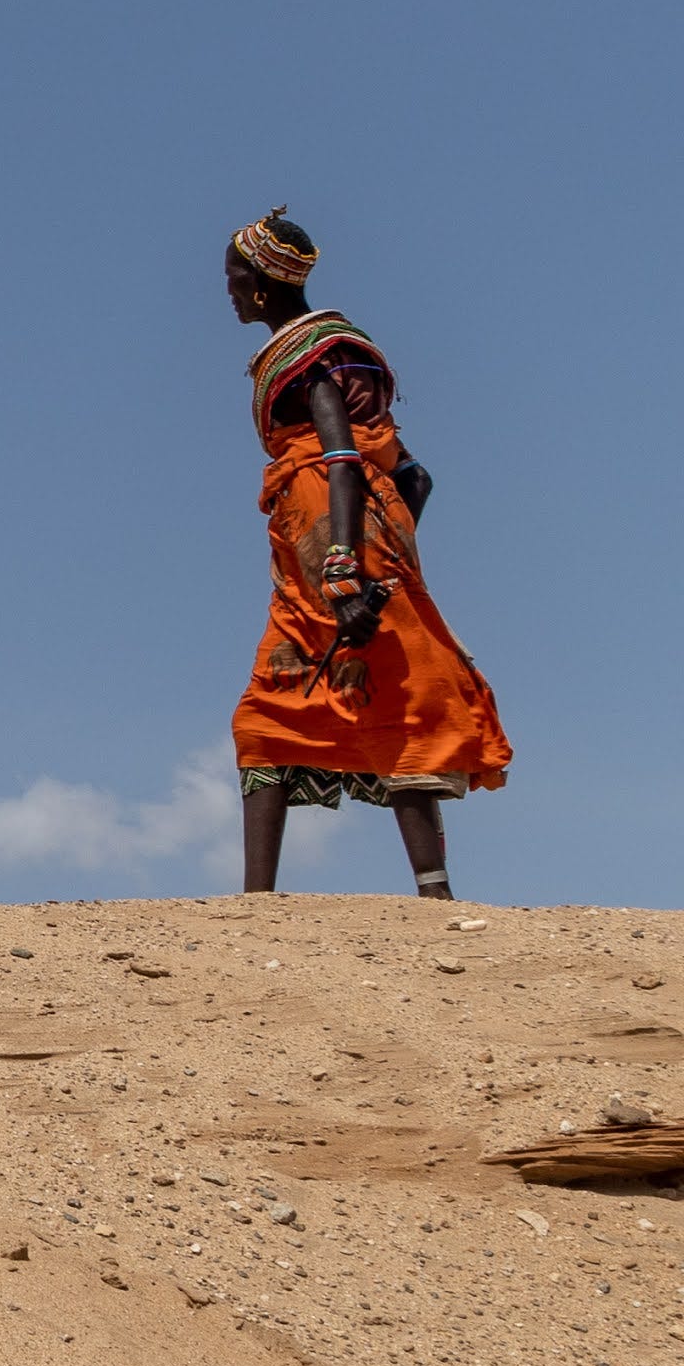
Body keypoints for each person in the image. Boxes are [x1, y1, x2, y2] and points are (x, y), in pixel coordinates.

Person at [223, 209, 509, 897]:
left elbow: (343, 459)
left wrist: (347, 569)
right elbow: (414, 478)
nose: (227, 292)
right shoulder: (339, 349)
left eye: (233, 278)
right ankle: (421, 895)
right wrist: (392, 562)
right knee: (370, 700)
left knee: (312, 707)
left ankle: (266, 900)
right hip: (340, 557)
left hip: (334, 557)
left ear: (262, 284)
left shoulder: (309, 356)